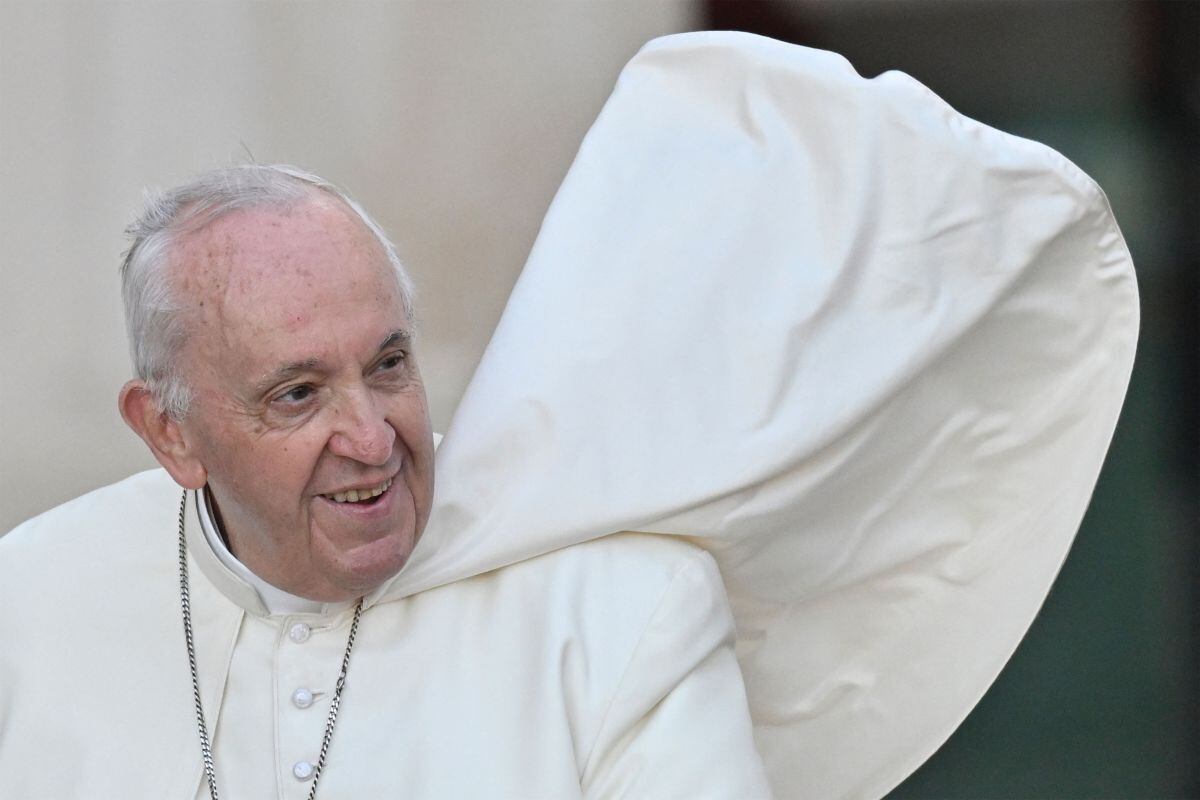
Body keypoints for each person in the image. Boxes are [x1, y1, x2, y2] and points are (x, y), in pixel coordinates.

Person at [0, 31, 1138, 800]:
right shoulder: (32, 601)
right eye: (297, 394)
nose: (371, 438)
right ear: (170, 431)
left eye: (388, 366)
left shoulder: (618, 613)